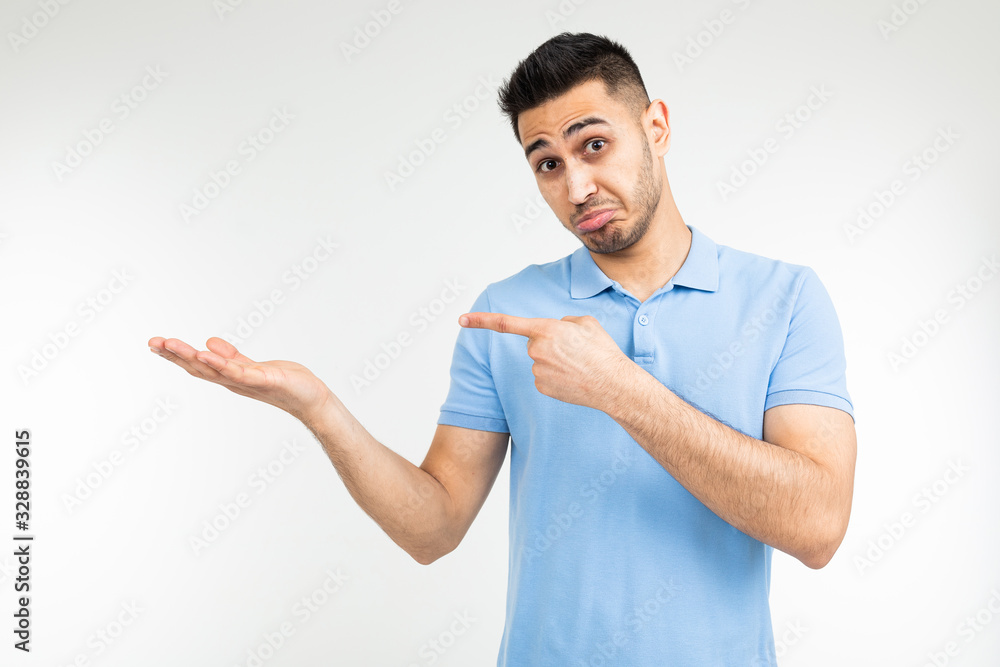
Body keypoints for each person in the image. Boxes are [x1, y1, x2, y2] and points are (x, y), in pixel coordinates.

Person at [148, 31, 856, 666]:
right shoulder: (508, 312)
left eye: (594, 145)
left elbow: (818, 526)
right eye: (546, 163)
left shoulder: (784, 298)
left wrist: (618, 386)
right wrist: (319, 407)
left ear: (657, 127)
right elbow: (433, 526)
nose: (576, 186)